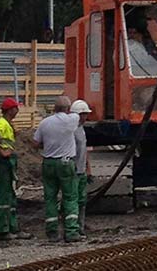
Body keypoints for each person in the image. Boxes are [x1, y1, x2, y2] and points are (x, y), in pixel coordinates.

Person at [31, 96, 83, 242]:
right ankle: (71, 231)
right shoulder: (71, 119)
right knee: (70, 197)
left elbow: (35, 143)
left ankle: (52, 232)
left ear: (54, 108)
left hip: (48, 163)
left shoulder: (44, 123)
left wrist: (48, 146)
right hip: (66, 163)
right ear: (68, 109)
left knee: (50, 198)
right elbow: (79, 118)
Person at [0, 98, 21, 240]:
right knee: (4, 196)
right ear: (10, 110)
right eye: (16, 108)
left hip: (7, 162)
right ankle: (2, 230)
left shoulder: (7, 124)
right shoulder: (1, 123)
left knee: (10, 195)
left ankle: (12, 227)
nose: (17, 111)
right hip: (3, 163)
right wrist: (2, 152)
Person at [70, 99, 93, 234]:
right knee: (73, 199)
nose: (86, 117)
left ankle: (81, 226)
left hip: (81, 171)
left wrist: (88, 168)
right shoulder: (72, 130)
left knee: (82, 200)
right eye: (84, 114)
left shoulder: (81, 129)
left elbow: (84, 150)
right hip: (74, 171)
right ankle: (73, 226)